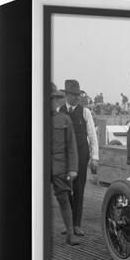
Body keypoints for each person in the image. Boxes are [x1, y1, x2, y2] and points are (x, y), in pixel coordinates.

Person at [59, 79, 99, 237]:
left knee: (79, 188)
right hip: (65, 156)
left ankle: (76, 224)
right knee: (65, 189)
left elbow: (93, 136)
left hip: (82, 154)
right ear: (66, 94)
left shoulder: (85, 112)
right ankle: (68, 224)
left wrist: (95, 157)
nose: (76, 98)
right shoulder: (59, 111)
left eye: (78, 95)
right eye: (73, 95)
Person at [51, 83, 79, 246]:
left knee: (63, 198)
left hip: (60, 167)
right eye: (49, 99)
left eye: (54, 99)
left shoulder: (64, 120)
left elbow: (72, 146)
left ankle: (70, 233)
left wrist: (73, 168)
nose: (53, 102)